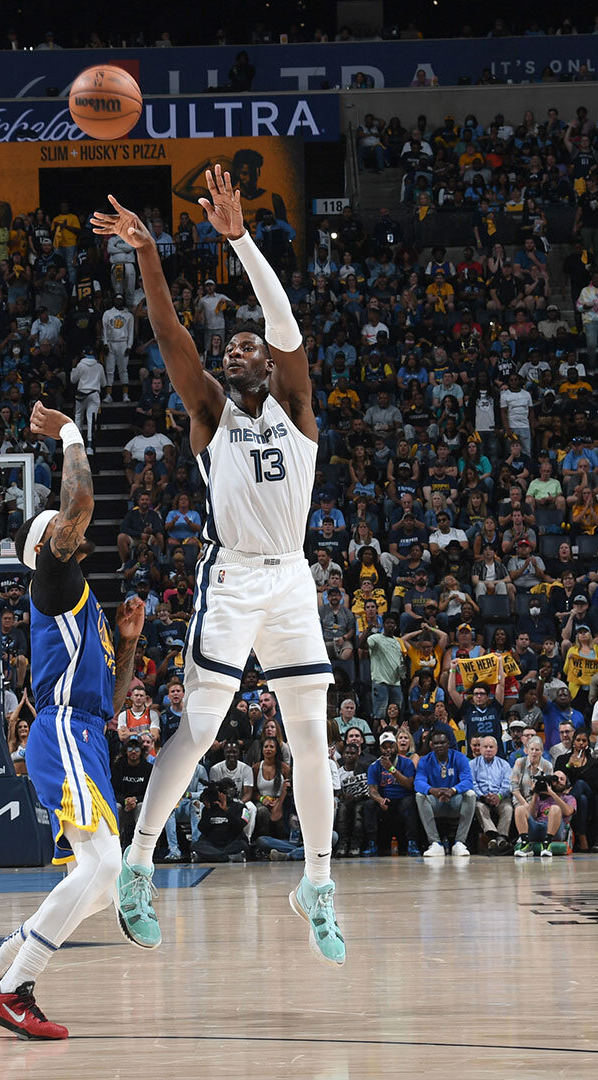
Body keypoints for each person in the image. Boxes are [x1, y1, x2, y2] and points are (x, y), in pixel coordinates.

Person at [96, 166, 343, 965]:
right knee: (201, 726)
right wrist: (148, 255)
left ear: (267, 365)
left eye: (247, 347)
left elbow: (284, 321)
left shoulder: (298, 407)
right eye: (228, 347)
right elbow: (170, 334)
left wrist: (238, 241)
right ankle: (138, 864)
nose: (235, 350)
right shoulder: (209, 414)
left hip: (292, 579)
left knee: (311, 736)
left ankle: (318, 883)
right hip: (233, 576)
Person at [0, 400, 146, 1041]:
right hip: (64, 732)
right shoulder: (53, 580)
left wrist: (124, 647)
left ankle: (2, 959)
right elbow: (79, 508)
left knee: (102, 878)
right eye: (62, 530)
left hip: (86, 730)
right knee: (101, 870)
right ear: (48, 545)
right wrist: (68, 432)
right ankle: (15, 989)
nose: (76, 530)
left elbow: (116, 704)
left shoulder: (82, 604)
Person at [415, 727, 476, 857]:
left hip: (454, 801)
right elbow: (418, 783)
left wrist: (453, 791)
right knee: (420, 795)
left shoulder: (459, 757)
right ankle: (435, 843)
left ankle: (460, 842)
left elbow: (468, 781)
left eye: (442, 743)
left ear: (448, 743)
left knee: (471, 794)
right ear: (431, 745)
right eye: (436, 743)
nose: (439, 746)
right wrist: (433, 790)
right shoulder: (425, 760)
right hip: (435, 802)